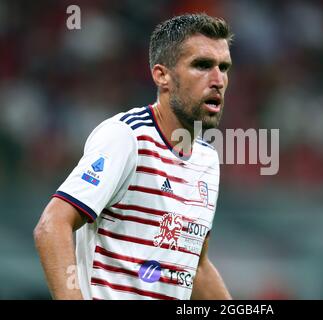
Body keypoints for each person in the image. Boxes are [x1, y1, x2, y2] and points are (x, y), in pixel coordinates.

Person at [34, 13, 233, 300]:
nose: (218, 80)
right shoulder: (126, 138)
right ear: (162, 75)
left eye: (224, 67)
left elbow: (195, 266)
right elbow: (52, 227)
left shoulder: (207, 159)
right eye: (202, 65)